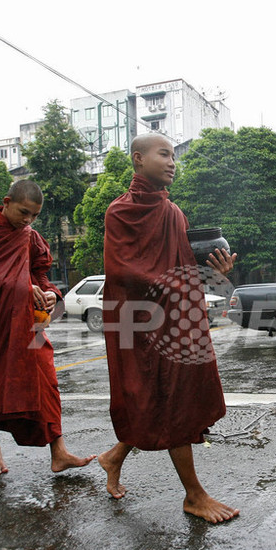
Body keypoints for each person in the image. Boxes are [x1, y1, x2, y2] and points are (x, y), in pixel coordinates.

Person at [96, 133, 239, 523]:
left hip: (179, 319)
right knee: (165, 400)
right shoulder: (119, 212)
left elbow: (185, 266)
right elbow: (123, 270)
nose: (173, 162)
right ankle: (194, 495)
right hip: (141, 321)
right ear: (138, 159)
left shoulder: (174, 213)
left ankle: (113, 457)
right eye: (165, 154)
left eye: (174, 155)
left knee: (167, 399)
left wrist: (212, 270)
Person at [0, 180, 94, 476]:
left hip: (26, 325)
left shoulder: (29, 237)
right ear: (6, 202)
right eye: (23, 212)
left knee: (47, 383)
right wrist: (22, 286)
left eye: (34, 215)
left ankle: (59, 453)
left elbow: (40, 275)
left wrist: (50, 294)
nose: (28, 220)